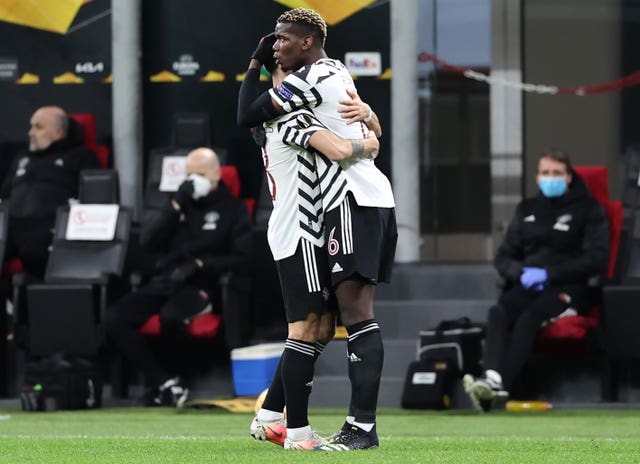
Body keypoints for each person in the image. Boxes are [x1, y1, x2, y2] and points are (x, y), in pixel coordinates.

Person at [238, 7, 397, 450]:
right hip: (313, 221)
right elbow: (342, 145)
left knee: (322, 326)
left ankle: (283, 420)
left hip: (341, 208)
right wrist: (371, 138)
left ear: (306, 42)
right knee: (318, 326)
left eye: (284, 40)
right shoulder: (292, 110)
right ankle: (304, 429)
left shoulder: (313, 82)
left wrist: (368, 123)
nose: (279, 50)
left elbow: (348, 130)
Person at [463, 150, 609, 412]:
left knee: (529, 318)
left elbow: (596, 259)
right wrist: (519, 272)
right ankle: (492, 378)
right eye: (545, 173)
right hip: (527, 284)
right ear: (537, 177)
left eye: (556, 173)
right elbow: (503, 257)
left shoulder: (588, 209)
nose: (550, 178)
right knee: (498, 312)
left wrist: (550, 274)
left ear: (568, 177)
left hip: (568, 288)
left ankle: (498, 389)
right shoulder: (527, 209)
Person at [104, 147, 252, 406]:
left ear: (217, 174)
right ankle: (163, 381)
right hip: (166, 281)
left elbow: (242, 257)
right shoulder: (179, 203)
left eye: (200, 174)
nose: (193, 180)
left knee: (170, 318)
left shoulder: (233, 209)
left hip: (203, 284)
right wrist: (174, 206)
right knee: (115, 317)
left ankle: (183, 381)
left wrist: (201, 264)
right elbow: (148, 242)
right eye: (189, 175)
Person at [0, 106, 102, 278]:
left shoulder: (81, 157)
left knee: (35, 254)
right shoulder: (23, 158)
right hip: (11, 227)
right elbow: (4, 195)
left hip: (49, 229)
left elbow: (95, 202)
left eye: (38, 127)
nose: (31, 132)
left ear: (58, 132)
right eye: (31, 126)